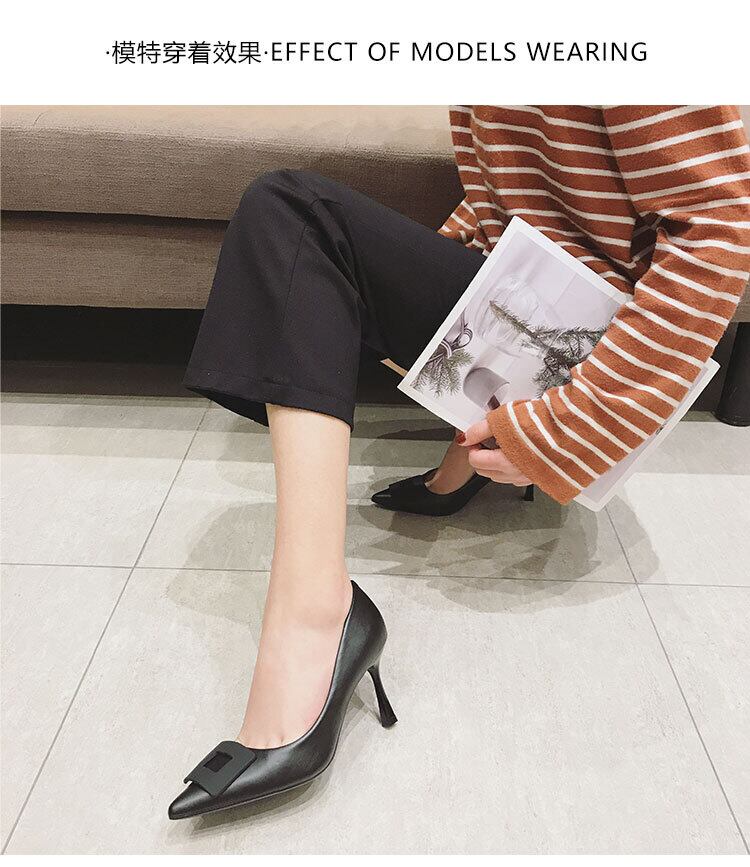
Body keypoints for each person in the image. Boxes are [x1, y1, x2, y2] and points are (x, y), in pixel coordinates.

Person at [168, 106, 750, 819]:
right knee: (297, 233)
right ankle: (454, 470)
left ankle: (317, 616)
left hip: (590, 339)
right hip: (528, 297)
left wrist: (571, 425)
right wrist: (423, 308)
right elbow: (500, 197)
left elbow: (717, 226)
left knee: (290, 213)